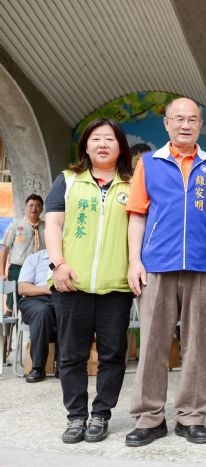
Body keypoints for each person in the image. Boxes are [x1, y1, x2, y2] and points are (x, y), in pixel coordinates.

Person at [126, 97, 206, 447]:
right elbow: (138, 213)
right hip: (157, 265)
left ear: (202, 125)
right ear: (166, 124)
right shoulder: (149, 164)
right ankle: (149, 416)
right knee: (154, 342)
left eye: (193, 120)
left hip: (202, 265)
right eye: (179, 119)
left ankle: (192, 416)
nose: (186, 125)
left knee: (197, 344)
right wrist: (134, 261)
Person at [44, 119, 133, 444]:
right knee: (71, 355)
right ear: (85, 145)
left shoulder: (132, 184)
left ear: (120, 147)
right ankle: (76, 417)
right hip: (72, 284)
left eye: (110, 139)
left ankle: (101, 415)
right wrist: (59, 264)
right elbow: (52, 225)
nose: (103, 144)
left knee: (112, 354)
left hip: (116, 287)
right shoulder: (67, 180)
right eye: (96, 139)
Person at [17, 249, 58, 382]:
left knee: (68, 312)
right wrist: (49, 289)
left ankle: (63, 365)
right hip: (34, 300)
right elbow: (23, 288)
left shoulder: (72, 257)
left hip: (63, 298)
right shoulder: (34, 258)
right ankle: (38, 367)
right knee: (42, 312)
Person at [1, 194, 45, 314]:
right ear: (25, 207)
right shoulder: (15, 226)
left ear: (42, 208)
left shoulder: (46, 227)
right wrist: (1, 273)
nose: (34, 208)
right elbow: (5, 249)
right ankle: (6, 332)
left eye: (37, 206)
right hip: (17, 269)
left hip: (39, 271)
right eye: (31, 205)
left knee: (37, 302)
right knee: (12, 305)